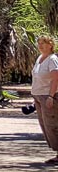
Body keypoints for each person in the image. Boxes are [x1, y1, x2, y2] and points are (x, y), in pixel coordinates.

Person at [33, 36, 58, 165]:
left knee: (53, 125)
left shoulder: (52, 59)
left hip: (48, 96)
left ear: (50, 45)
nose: (41, 45)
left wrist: (51, 96)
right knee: (45, 126)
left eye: (44, 43)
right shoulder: (39, 58)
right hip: (38, 96)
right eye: (39, 43)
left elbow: (55, 78)